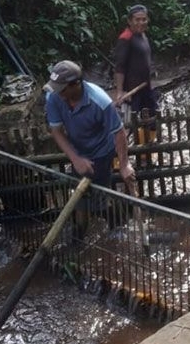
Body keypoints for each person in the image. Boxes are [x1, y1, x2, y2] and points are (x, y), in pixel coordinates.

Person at [44, 60, 135, 239]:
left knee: (94, 195)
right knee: (85, 196)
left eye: (62, 88)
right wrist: (75, 158)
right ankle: (85, 232)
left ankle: (112, 228)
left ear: (76, 84)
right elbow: (56, 131)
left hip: (101, 149)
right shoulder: (54, 97)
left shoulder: (100, 101)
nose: (58, 92)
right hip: (78, 148)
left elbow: (119, 132)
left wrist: (124, 165)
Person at [114, 4, 158, 147]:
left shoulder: (143, 35)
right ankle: (118, 160)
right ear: (130, 21)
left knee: (152, 117)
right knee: (128, 125)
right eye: (137, 20)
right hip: (132, 91)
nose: (141, 23)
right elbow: (119, 66)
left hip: (145, 86)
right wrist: (120, 91)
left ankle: (148, 149)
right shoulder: (126, 38)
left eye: (144, 19)